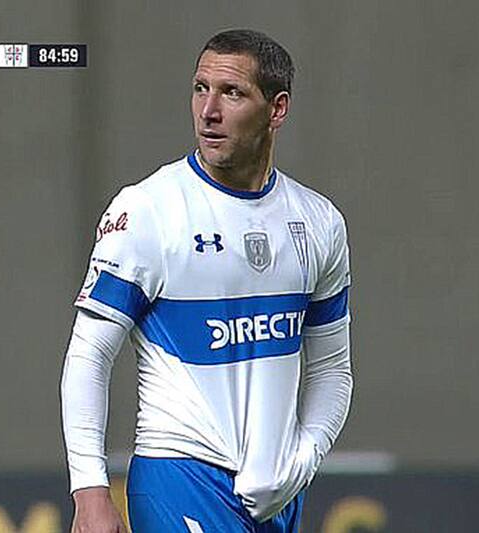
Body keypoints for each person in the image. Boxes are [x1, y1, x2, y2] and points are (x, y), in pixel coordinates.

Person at [61, 29, 353, 533]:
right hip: (179, 476)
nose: (208, 111)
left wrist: (303, 458)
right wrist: (89, 491)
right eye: (201, 89)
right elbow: (89, 355)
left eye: (231, 92)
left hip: (277, 496)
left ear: (277, 109)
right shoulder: (149, 210)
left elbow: (332, 369)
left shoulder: (318, 222)